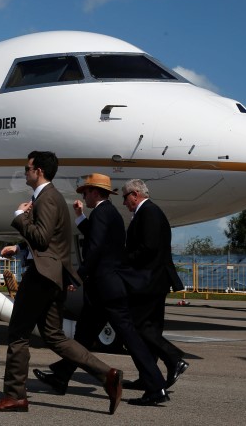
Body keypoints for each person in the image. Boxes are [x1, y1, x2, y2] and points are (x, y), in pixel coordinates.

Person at [0, 153, 123, 414]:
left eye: (27, 168)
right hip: (52, 276)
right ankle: (108, 374)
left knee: (18, 333)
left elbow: (43, 238)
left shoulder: (46, 198)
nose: (25, 172)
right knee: (55, 336)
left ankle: (14, 396)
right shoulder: (52, 197)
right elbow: (54, 243)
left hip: (41, 276)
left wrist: (19, 216)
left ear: (39, 171)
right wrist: (21, 247)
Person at [33, 173, 170, 407]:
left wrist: (77, 276)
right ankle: (61, 376)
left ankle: (156, 386)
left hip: (106, 289)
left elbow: (95, 249)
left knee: (130, 338)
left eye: (85, 192)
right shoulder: (109, 214)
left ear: (95, 192)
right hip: (106, 289)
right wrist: (80, 217)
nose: (84, 196)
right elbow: (100, 240)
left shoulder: (102, 213)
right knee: (83, 337)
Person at [121, 179, 188, 390]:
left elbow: (148, 248)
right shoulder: (150, 211)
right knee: (152, 328)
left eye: (124, 197)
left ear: (134, 194)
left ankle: (174, 357)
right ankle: (148, 377)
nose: (124, 203)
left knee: (137, 326)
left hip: (150, 280)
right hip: (155, 280)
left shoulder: (148, 212)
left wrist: (123, 261)